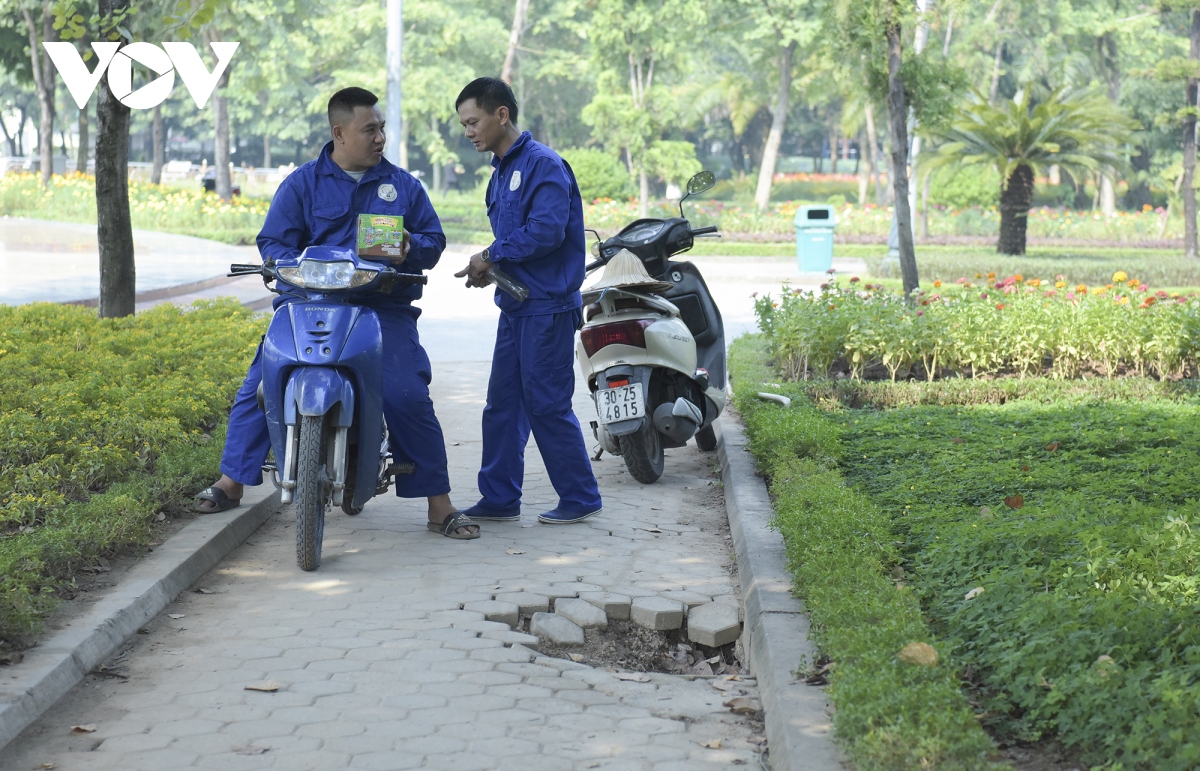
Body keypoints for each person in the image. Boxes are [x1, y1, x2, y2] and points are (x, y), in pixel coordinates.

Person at [192, 87, 478, 539]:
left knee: (406, 394)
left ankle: (439, 504)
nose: (380, 137)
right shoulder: (302, 183)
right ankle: (231, 482)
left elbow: (433, 241)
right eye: (371, 129)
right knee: (262, 382)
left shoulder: (403, 186)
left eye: (381, 128)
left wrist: (409, 248)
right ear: (339, 133)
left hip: (381, 308)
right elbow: (273, 243)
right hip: (308, 304)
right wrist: (291, 264)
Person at [453, 77, 602, 525]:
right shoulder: (500, 171)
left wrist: (490, 255)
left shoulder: (544, 165)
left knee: (546, 405)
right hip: (516, 305)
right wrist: (490, 270)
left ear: (502, 115)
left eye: (474, 121)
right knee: (502, 404)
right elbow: (517, 240)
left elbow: (546, 231)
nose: (469, 132)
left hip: (548, 307)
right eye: (463, 125)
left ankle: (580, 496)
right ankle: (499, 497)